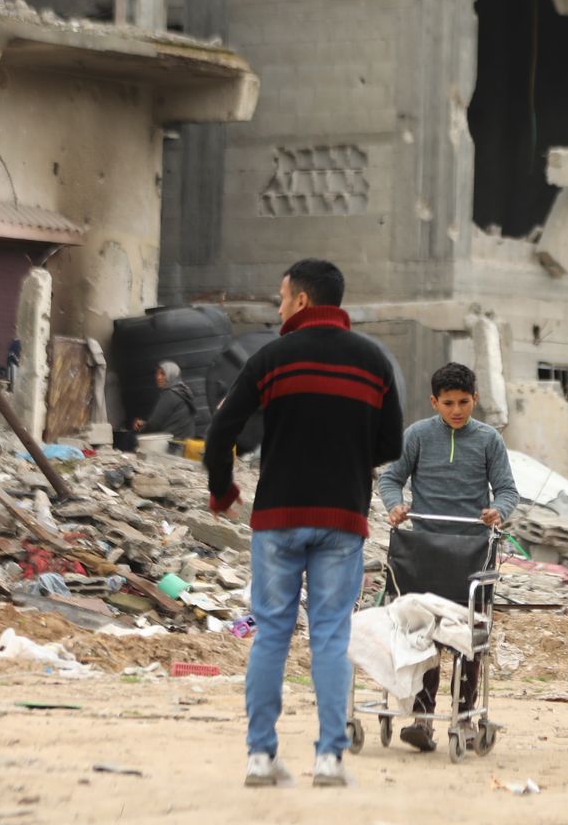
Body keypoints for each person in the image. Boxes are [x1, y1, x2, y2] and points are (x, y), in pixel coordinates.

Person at [203, 259, 403, 789]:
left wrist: (222, 490)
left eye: (281, 296)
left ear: (302, 301)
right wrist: (351, 456)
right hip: (342, 519)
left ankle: (260, 758)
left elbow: (223, 424)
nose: (278, 305)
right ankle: (329, 760)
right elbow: (392, 445)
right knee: (331, 637)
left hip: (278, 518)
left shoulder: (271, 358)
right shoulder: (374, 361)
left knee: (271, 634)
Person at [376, 361, 517, 753]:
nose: (457, 411)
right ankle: (422, 718)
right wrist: (396, 504)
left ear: (475, 400)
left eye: (465, 402)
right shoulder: (417, 436)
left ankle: (464, 717)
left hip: (472, 552)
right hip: (424, 551)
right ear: (434, 402)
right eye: (449, 403)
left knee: (469, 639)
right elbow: (391, 478)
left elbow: (507, 490)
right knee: (424, 635)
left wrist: (497, 512)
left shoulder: (489, 440)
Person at [134, 360, 199, 438]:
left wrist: (140, 431)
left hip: (174, 444)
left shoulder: (170, 395)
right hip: (186, 442)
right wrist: (145, 424)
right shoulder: (182, 391)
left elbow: (154, 425)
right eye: (157, 373)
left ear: (171, 375)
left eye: (163, 374)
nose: (158, 377)